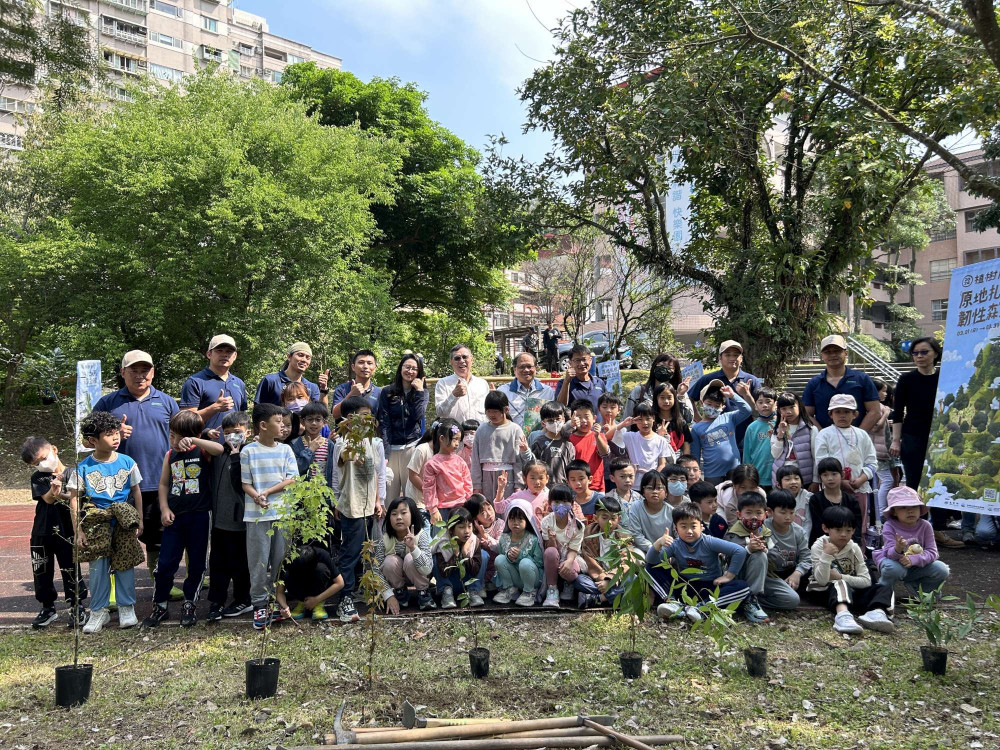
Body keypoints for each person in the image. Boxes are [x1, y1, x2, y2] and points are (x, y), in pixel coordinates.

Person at [92, 350, 178, 578]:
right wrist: (113, 432)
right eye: (134, 371)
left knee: (159, 537)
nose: (140, 375)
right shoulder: (107, 402)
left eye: (145, 370)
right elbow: (87, 439)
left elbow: (178, 438)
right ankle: (113, 588)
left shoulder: (167, 402)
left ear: (153, 373)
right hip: (118, 484)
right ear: (123, 373)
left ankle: (159, 583)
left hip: (159, 481)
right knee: (116, 536)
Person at [144, 411, 224, 628]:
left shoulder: (202, 450)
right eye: (171, 435)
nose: (174, 440)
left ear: (192, 435)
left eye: (178, 436)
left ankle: (190, 604)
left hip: (200, 516)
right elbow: (163, 484)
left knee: (197, 564)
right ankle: (160, 606)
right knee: (165, 563)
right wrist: (164, 509)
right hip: (175, 517)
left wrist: (198, 439)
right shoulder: (170, 454)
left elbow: (220, 449)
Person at [67, 411, 144, 634]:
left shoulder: (128, 462)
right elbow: (74, 500)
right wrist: (78, 530)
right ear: (92, 441)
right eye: (109, 435)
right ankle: (98, 611)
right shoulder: (82, 468)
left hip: (122, 521)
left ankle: (126, 607)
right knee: (98, 568)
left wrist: (138, 519)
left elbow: (136, 491)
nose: (116, 438)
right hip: (95, 524)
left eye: (117, 433)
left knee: (125, 564)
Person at [890, 336, 964, 549]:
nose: (920, 357)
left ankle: (938, 530)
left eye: (924, 352)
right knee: (914, 485)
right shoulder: (906, 379)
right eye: (916, 353)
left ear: (935, 355)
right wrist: (896, 440)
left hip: (940, 437)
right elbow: (898, 413)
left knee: (938, 481)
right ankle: (912, 532)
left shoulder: (944, 378)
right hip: (913, 437)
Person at [240, 402, 299, 630]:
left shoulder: (285, 450)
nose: (283, 426)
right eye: (278, 422)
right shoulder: (248, 451)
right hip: (256, 516)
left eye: (284, 423)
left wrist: (267, 492)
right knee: (258, 561)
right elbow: (245, 483)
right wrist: (257, 496)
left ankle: (277, 598)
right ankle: (259, 604)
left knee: (280, 560)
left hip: (283, 514)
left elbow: (292, 479)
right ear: (263, 425)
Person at [330, 395, 387, 624]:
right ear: (350, 418)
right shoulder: (343, 440)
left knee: (370, 551)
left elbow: (376, 473)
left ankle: (366, 592)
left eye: (369, 416)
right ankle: (345, 597)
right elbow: (342, 461)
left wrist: (377, 501)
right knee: (350, 554)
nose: (368, 420)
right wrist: (336, 500)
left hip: (369, 507)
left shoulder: (373, 441)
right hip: (352, 506)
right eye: (363, 416)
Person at [21, 436, 88, 628]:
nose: (41, 464)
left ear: (54, 450)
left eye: (43, 458)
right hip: (42, 531)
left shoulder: (73, 473)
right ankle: (47, 607)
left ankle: (76, 606)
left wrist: (62, 492)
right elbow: (48, 499)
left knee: (70, 568)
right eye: (36, 464)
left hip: (66, 530)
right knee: (41, 570)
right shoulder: (39, 477)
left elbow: (76, 498)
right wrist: (54, 490)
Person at [649, 501, 750, 623]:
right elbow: (652, 561)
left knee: (742, 587)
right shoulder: (675, 544)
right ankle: (673, 603)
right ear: (676, 529)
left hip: (711, 587)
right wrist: (657, 544)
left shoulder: (709, 542)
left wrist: (729, 576)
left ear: (701, 527)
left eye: (693, 526)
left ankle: (701, 609)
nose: (689, 531)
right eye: (683, 526)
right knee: (649, 568)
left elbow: (739, 551)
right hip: (685, 586)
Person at [806, 506, 895, 635]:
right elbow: (822, 579)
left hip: (851, 591)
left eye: (848, 530)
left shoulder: (854, 548)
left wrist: (840, 576)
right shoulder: (819, 546)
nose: (843, 534)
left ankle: (876, 613)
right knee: (839, 584)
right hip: (823, 591)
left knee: (884, 588)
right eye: (838, 530)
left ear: (853, 531)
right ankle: (843, 616)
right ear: (826, 528)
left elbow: (866, 581)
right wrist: (826, 555)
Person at [206, 411, 253, 622]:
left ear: (248, 433)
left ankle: (243, 599)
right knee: (217, 564)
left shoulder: (250, 454)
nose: (232, 437)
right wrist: (207, 432)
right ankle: (216, 601)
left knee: (240, 563)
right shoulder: (218, 452)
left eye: (237, 432)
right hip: (218, 521)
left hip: (241, 521)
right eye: (227, 433)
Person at [724, 492, 797, 622]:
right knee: (758, 555)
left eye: (758, 513)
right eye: (748, 513)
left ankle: (748, 601)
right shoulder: (732, 534)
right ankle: (749, 600)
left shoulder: (766, 533)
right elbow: (728, 560)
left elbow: (779, 560)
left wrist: (767, 551)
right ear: (739, 515)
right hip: (738, 577)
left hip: (763, 577)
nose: (754, 517)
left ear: (765, 514)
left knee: (791, 600)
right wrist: (748, 549)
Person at [814, 394, 877, 536]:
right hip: (833, 490)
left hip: (859, 488)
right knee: (834, 523)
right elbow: (821, 461)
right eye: (838, 412)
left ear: (855, 414)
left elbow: (872, 461)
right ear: (830, 414)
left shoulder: (862, 434)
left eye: (847, 412)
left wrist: (861, 479)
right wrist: (840, 481)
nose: (842, 415)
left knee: (859, 524)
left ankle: (858, 554)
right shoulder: (824, 434)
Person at [873, 486, 950, 598]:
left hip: (916, 566)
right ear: (894, 512)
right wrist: (898, 548)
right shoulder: (889, 525)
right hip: (894, 563)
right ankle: (883, 592)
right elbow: (889, 554)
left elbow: (933, 552)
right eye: (903, 507)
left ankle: (921, 590)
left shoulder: (925, 525)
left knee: (942, 569)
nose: (910, 511)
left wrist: (913, 559)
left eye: (914, 506)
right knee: (893, 569)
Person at [690, 341, 762, 449]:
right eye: (727, 355)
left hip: (745, 437)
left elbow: (758, 411)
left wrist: (746, 394)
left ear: (741, 358)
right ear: (720, 358)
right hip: (717, 439)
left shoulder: (751, 380)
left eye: (736, 355)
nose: (732, 358)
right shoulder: (709, 379)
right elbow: (690, 398)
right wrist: (699, 419)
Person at [376, 353, 428, 502]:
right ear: (400, 369)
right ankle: (386, 525)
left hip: (412, 448)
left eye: (414, 369)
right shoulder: (387, 392)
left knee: (412, 496)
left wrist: (418, 392)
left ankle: (413, 525)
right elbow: (384, 423)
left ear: (419, 372)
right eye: (407, 367)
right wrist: (385, 453)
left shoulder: (423, 392)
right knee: (389, 496)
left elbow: (418, 416)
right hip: (392, 449)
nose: (410, 371)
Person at [802, 335, 880, 430]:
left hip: (857, 442)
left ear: (846, 353)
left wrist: (857, 436)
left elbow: (875, 412)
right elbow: (806, 414)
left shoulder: (862, 379)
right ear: (822, 355)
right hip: (825, 442)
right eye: (827, 352)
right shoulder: (814, 383)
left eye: (837, 351)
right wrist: (823, 436)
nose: (833, 355)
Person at [372, 496, 435, 613]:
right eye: (394, 514)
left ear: (413, 515)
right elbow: (375, 570)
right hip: (398, 577)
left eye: (403, 513)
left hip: (419, 574)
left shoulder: (421, 536)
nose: (399, 518)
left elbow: (427, 569)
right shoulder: (385, 540)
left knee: (410, 558)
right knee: (389, 561)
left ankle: (424, 592)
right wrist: (388, 595)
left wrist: (413, 548)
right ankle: (400, 592)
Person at [471, 391, 534, 501]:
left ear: (506, 410)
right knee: (489, 509)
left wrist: (518, 484)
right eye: (488, 411)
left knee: (507, 508)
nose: (492, 415)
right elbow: (475, 460)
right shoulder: (481, 430)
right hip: (486, 476)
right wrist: (476, 485)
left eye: (495, 411)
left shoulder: (515, 429)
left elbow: (518, 460)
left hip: (508, 476)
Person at [179, 334, 248, 434]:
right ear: (209, 354)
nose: (224, 354)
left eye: (229, 351)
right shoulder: (195, 382)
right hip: (203, 446)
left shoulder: (239, 383)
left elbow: (242, 418)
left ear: (235, 356)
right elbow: (184, 421)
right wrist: (214, 408)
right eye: (219, 350)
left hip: (233, 446)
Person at [690, 380, 753, 485]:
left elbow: (747, 410)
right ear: (701, 403)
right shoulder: (696, 428)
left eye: (717, 405)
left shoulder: (729, 417)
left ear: (723, 407)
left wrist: (733, 396)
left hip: (734, 470)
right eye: (709, 404)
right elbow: (695, 454)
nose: (713, 408)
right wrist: (695, 473)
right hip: (712, 473)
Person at [577, 496, 631, 609]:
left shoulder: (624, 536)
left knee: (633, 579)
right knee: (579, 580)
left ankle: (599, 598)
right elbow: (588, 557)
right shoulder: (590, 532)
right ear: (596, 518)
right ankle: (613, 595)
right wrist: (602, 577)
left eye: (613, 518)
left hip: (617, 578)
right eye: (605, 518)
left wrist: (609, 580)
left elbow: (626, 560)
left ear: (619, 519)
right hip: (597, 579)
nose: (609, 522)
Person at [491, 499, 545, 607]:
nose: (515, 523)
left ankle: (529, 593)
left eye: (520, 519)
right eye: (511, 519)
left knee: (525, 562)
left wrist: (520, 556)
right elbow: (502, 561)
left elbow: (539, 563)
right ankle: (509, 590)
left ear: (527, 520)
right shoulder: (504, 538)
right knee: (500, 559)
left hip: (532, 578)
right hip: (515, 578)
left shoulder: (533, 539)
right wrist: (509, 557)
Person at [540, 484, 586, 607]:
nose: (561, 505)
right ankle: (552, 590)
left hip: (571, 557)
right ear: (550, 503)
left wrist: (569, 561)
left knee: (569, 569)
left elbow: (574, 549)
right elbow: (550, 549)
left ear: (572, 503)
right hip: (554, 558)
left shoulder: (578, 525)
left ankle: (568, 584)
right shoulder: (546, 522)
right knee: (550, 552)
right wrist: (551, 539)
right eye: (557, 501)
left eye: (565, 501)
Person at [431, 507, 485, 608]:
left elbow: (475, 571)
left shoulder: (473, 541)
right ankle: (446, 593)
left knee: (484, 555)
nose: (467, 531)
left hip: (466, 582)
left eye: (469, 526)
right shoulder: (443, 542)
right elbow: (444, 572)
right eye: (461, 527)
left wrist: (465, 553)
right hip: (450, 582)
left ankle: (473, 591)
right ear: (451, 530)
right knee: (434, 558)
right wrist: (455, 555)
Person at [276, 542, 344, 622]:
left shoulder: (322, 555)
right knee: (286, 574)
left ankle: (318, 605)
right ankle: (301, 602)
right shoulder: (288, 560)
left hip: (317, 585)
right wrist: (285, 607)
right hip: (297, 585)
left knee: (322, 569)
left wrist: (316, 599)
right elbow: (279, 592)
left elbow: (340, 583)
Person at [612, 404, 676, 488]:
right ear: (634, 420)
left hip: (651, 484)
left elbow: (662, 464)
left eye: (648, 418)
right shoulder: (629, 436)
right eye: (640, 420)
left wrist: (654, 478)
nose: (645, 423)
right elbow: (612, 437)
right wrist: (623, 424)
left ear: (653, 418)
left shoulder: (661, 440)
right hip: (632, 484)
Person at [422, 419, 473, 524]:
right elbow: (429, 488)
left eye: (459, 440)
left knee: (461, 537)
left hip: (461, 505)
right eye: (454, 439)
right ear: (442, 438)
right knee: (442, 539)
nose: (457, 444)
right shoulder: (432, 464)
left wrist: (468, 501)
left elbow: (467, 482)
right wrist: (433, 510)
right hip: (441, 509)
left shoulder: (460, 461)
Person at [765, 489, 811, 598]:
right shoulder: (763, 528)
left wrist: (797, 574)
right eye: (783, 512)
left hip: (790, 570)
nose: (788, 517)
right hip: (769, 573)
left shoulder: (799, 532)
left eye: (791, 512)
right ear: (770, 511)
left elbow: (806, 557)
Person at [807, 457, 863, 546]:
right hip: (823, 545)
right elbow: (817, 527)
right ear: (820, 477)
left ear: (842, 475)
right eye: (825, 475)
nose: (830, 478)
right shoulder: (815, 500)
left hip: (848, 545)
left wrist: (852, 545)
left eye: (834, 474)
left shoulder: (851, 500)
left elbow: (856, 526)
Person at [770, 391, 818, 492]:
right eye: (784, 409)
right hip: (782, 478)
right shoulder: (777, 429)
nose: (788, 412)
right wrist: (780, 435)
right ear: (779, 411)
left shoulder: (810, 429)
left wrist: (815, 480)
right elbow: (775, 455)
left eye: (792, 407)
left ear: (799, 407)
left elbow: (816, 456)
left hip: (804, 478)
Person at [625, 354, 693, 422]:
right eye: (662, 365)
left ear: (674, 373)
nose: (664, 369)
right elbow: (627, 419)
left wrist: (680, 396)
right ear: (654, 367)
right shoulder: (639, 391)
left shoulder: (678, 392)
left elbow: (689, 418)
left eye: (669, 368)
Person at [435, 344, 491, 425]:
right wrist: (454, 395)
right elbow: (441, 413)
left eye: (465, 357)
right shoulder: (443, 383)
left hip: (479, 433)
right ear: (451, 362)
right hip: (455, 435)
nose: (461, 361)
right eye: (457, 358)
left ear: (472, 359)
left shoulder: (482, 384)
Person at [255, 342, 325, 406]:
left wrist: (324, 390)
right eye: (300, 355)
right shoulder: (271, 381)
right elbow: (258, 411)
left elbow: (320, 412)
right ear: (289, 357)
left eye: (308, 358)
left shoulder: (312, 387)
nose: (304, 360)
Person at [567, 399, 613, 493]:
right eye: (579, 417)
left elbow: (605, 454)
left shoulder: (599, 435)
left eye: (587, 416)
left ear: (594, 418)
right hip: (575, 487)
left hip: (597, 487)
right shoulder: (569, 438)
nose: (583, 420)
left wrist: (597, 436)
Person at [623, 470, 674, 552]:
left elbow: (678, 537)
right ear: (643, 492)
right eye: (650, 488)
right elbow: (636, 535)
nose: (654, 492)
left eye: (659, 488)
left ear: (666, 492)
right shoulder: (636, 507)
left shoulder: (672, 511)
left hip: (667, 550)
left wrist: (665, 551)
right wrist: (654, 549)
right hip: (643, 549)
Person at [501, 351, 555, 428]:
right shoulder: (503, 391)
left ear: (535, 368)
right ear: (514, 369)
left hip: (539, 437)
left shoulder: (547, 391)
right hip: (512, 437)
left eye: (529, 366)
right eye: (522, 367)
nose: (526, 370)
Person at [869, 378, 896, 529]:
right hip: (877, 451)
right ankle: (880, 512)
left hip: (881, 449)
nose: (885, 394)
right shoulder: (877, 408)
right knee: (887, 480)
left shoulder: (879, 407)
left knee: (884, 480)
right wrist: (885, 413)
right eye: (883, 390)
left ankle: (880, 511)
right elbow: (875, 427)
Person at [530, 402, 575, 486]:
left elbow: (571, 469)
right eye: (550, 421)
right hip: (543, 487)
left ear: (564, 420)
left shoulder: (568, 445)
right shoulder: (538, 442)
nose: (555, 423)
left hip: (564, 487)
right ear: (543, 423)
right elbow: (534, 465)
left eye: (558, 419)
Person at [330, 350, 382, 421]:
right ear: (353, 367)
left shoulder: (379, 393)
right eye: (361, 362)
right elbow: (335, 414)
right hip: (345, 431)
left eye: (369, 363)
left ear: (375, 368)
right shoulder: (342, 389)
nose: (365, 366)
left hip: (370, 431)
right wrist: (351, 394)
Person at [742, 387, 777, 489]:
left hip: (779, 476)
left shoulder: (781, 424)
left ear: (776, 404)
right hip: (758, 477)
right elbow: (747, 455)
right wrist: (748, 476)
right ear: (756, 406)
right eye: (760, 402)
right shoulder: (752, 428)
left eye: (768, 402)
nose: (764, 405)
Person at [504, 459, 550, 523]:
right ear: (524, 479)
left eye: (541, 478)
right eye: (532, 478)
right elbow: (500, 508)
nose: (537, 482)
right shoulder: (519, 496)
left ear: (547, 478)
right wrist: (501, 489)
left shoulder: (551, 495)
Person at [405, 428, 435, 525]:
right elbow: (413, 475)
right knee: (423, 535)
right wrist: (428, 493)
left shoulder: (444, 452)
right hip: (418, 503)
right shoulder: (422, 449)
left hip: (433, 504)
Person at [652, 383, 692, 455]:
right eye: (662, 397)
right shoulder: (651, 421)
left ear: (674, 398)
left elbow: (686, 447)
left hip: (677, 463)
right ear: (656, 399)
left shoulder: (681, 422)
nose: (666, 401)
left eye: (669, 397)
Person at [775, 464, 812, 539]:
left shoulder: (807, 497)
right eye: (787, 479)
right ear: (778, 484)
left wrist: (804, 542)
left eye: (796, 478)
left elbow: (808, 523)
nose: (793, 482)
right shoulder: (776, 499)